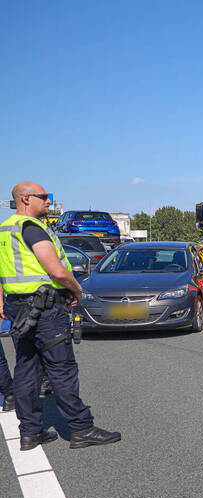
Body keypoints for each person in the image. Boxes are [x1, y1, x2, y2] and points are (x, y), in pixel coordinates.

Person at [0, 182, 120, 450]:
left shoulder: (4, 229)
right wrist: (77, 290)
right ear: (26, 199)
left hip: (19, 307)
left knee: (26, 368)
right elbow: (56, 270)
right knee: (61, 369)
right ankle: (81, 429)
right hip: (44, 308)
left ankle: (30, 432)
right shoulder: (30, 228)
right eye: (45, 197)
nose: (49, 202)